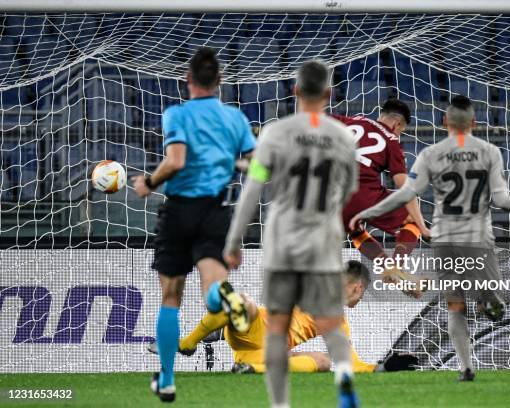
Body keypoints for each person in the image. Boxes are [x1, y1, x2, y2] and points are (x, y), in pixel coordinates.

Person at [349, 95, 510, 382]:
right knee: (477, 288)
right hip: (476, 233)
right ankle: (486, 300)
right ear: (474, 122)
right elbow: (499, 196)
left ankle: (466, 368)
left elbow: (408, 191)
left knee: (454, 303)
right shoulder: (489, 151)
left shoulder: (429, 154)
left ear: (445, 122)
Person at [224, 59, 360, 408]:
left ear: (295, 90)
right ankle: (345, 385)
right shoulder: (343, 136)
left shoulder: (275, 134)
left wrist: (234, 240)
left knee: (278, 324)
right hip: (323, 234)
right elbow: (348, 190)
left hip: (284, 235)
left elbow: (252, 190)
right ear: (330, 94)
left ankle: (280, 404)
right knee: (330, 319)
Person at [132, 47, 255, 402]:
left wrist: (148, 184)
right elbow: (257, 165)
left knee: (170, 297)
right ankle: (227, 299)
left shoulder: (177, 114)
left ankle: (167, 379)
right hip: (217, 212)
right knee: (212, 293)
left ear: (188, 80)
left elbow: (175, 160)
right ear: (219, 82)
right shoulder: (235, 119)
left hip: (180, 210)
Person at [150, 261, 378, 374]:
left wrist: (382, 368)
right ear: (358, 288)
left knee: (324, 361)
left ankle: (250, 368)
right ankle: (188, 343)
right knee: (241, 302)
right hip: (254, 328)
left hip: (261, 351)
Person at [333, 100, 430, 262]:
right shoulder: (391, 140)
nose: (399, 135)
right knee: (411, 219)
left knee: (355, 229)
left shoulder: (352, 120)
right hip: (361, 195)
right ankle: (396, 266)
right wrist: (423, 227)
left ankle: (387, 268)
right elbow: (404, 187)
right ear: (397, 124)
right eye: (401, 131)